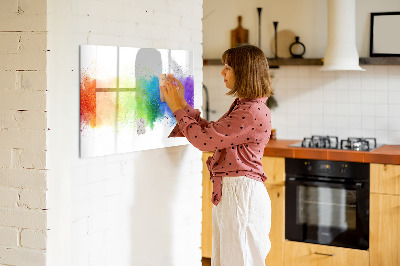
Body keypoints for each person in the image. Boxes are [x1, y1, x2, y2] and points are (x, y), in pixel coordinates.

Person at [161, 44, 273, 266]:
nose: (222, 72)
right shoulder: (246, 106)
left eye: (228, 67)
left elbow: (204, 141)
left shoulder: (250, 111)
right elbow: (212, 133)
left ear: (244, 72)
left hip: (241, 195)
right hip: (236, 193)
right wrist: (182, 104)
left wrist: (176, 108)